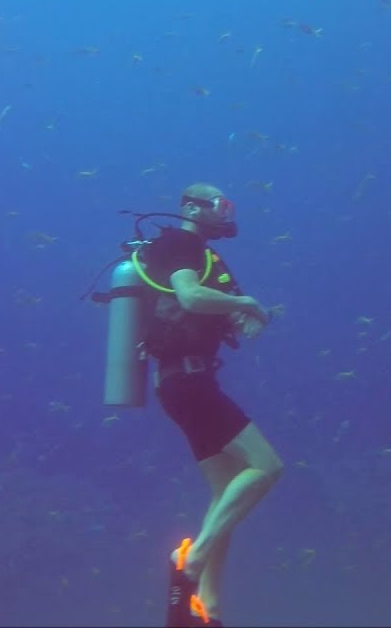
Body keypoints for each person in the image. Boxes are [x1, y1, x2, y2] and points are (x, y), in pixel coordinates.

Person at [138, 182, 283, 627]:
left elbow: (215, 308)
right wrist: (246, 301)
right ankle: (192, 563)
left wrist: (246, 315)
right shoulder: (180, 243)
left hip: (181, 381)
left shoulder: (205, 256)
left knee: (225, 495)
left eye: (228, 206)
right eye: (220, 205)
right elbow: (189, 296)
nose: (225, 213)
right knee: (266, 466)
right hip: (190, 383)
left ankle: (208, 606)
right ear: (191, 207)